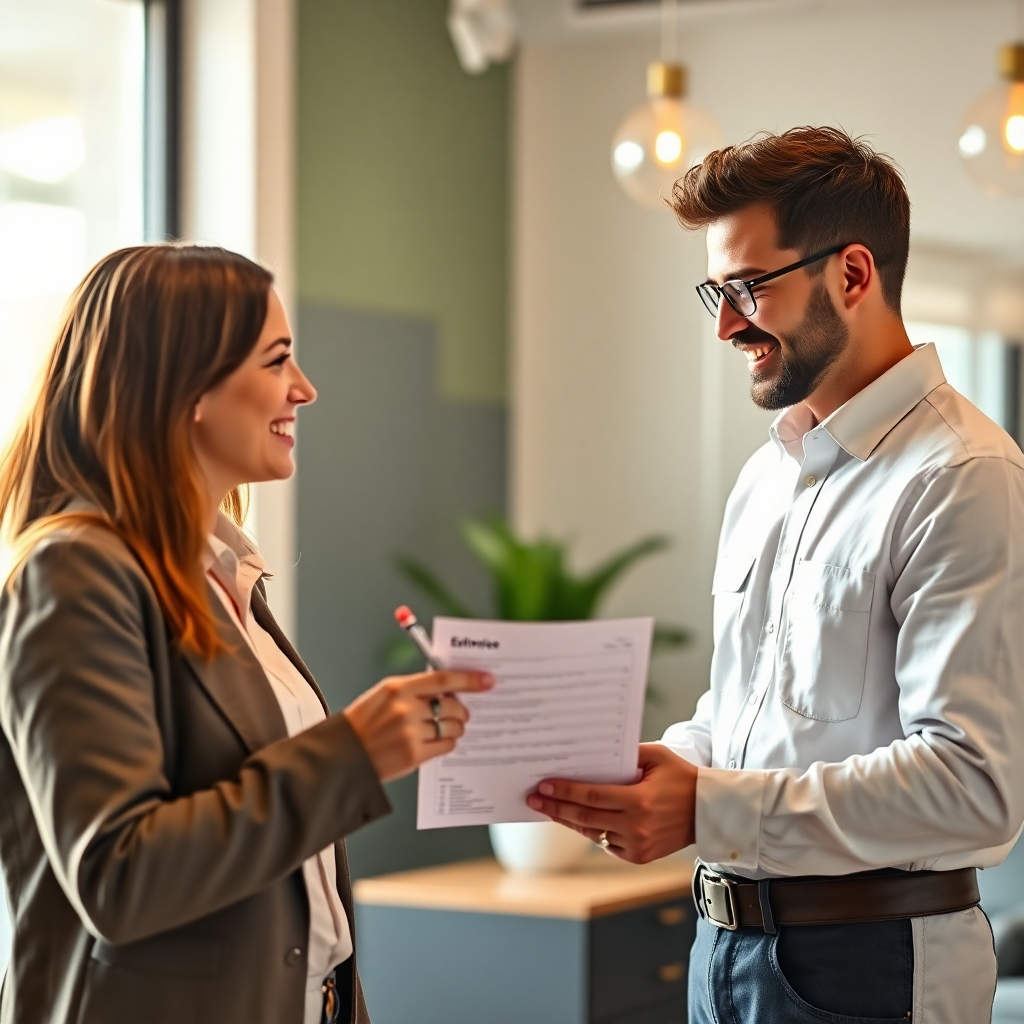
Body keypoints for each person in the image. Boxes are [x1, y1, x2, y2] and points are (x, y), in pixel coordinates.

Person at [526, 126, 1024, 1022]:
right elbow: (752, 711)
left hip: (873, 965)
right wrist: (668, 771)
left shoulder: (963, 475)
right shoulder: (768, 475)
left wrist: (708, 808)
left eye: (750, 287)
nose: (725, 324)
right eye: (717, 290)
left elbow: (972, 788)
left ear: (854, 274)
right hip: (722, 950)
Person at [0, 244, 492, 1024]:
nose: (304, 389)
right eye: (276, 362)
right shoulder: (74, 573)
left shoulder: (226, 578)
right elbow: (118, 877)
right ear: (186, 385)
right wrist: (355, 754)